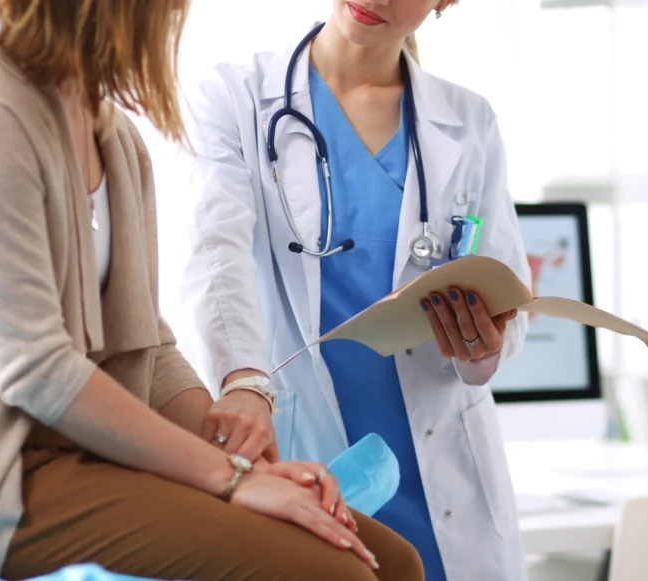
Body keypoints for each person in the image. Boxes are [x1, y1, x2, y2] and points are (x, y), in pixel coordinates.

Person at [0, 1, 425, 580]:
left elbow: (146, 343)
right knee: (337, 574)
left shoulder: (114, 136)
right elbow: (37, 369)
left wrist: (238, 455)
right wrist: (230, 479)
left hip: (72, 458)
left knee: (395, 562)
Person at [181, 1, 531, 579]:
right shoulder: (235, 96)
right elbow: (214, 253)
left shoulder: (469, 122)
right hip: (309, 450)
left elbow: (505, 288)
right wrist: (243, 379)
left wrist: (485, 345)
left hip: (442, 470)